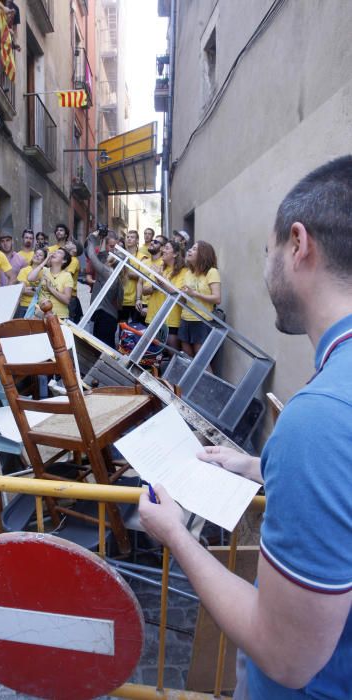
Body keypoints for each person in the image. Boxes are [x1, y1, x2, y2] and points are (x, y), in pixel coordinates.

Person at [139, 156, 352, 700]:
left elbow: (286, 655)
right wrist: (260, 465)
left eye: (267, 250)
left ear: (298, 244)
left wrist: (177, 537)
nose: (264, 268)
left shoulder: (321, 417)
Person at [143, 240, 187, 350]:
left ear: (175, 254)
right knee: (152, 355)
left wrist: (160, 279)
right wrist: (155, 285)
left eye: (167, 248)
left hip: (171, 319)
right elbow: (145, 289)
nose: (163, 250)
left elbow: (176, 293)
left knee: (172, 353)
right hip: (153, 316)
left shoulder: (184, 271)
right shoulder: (160, 268)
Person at [179, 241, 221, 357]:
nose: (189, 250)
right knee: (187, 360)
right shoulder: (188, 273)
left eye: (194, 249)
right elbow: (185, 298)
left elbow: (217, 298)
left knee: (200, 362)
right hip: (185, 318)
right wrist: (182, 294)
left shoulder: (212, 272)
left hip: (202, 321)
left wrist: (194, 293)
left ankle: (207, 377)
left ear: (203, 253)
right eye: (190, 248)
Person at [87, 230, 123, 347]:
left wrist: (92, 237)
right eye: (112, 247)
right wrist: (102, 239)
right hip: (108, 315)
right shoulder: (113, 272)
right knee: (106, 347)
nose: (112, 250)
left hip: (105, 316)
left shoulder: (106, 272)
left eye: (115, 248)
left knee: (103, 349)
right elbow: (101, 255)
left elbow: (92, 256)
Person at [29, 247, 73, 319]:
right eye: (55, 251)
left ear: (64, 260)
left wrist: (50, 288)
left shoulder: (67, 276)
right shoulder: (44, 271)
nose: (55, 253)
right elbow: (30, 278)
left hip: (59, 317)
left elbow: (67, 300)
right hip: (40, 315)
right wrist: (45, 261)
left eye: (59, 252)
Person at [136, 237, 164, 319]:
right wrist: (138, 299)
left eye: (155, 242)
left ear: (162, 248)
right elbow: (140, 282)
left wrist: (150, 308)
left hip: (156, 305)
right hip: (142, 304)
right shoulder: (144, 262)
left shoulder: (164, 263)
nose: (151, 242)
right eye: (152, 241)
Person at [16, 246, 47, 317]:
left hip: (39, 307)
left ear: (44, 260)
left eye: (40, 255)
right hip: (24, 306)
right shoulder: (24, 270)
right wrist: (37, 289)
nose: (37, 255)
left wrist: (30, 288)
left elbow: (45, 292)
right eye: (36, 253)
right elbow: (22, 290)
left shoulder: (45, 271)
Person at [119, 230, 142, 323]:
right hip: (121, 298)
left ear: (137, 241)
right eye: (127, 237)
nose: (129, 239)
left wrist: (127, 273)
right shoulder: (120, 255)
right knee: (122, 327)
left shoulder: (142, 257)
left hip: (134, 300)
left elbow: (143, 277)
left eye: (132, 237)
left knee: (134, 328)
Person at [64, 239, 83, 324]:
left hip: (70, 295)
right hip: (66, 294)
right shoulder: (69, 259)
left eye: (71, 243)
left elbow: (67, 275)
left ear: (75, 250)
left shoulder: (73, 260)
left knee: (68, 321)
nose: (68, 242)